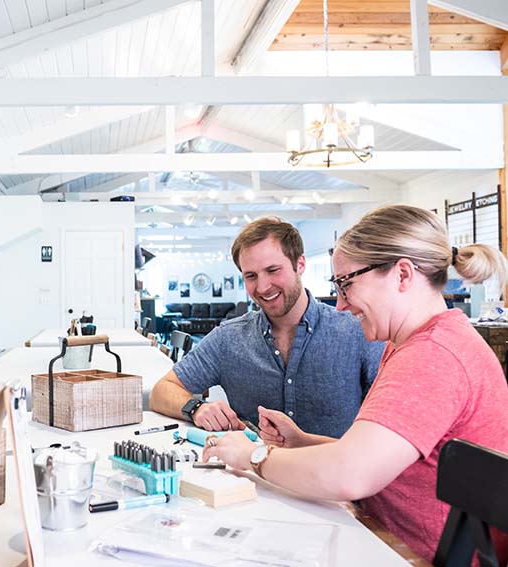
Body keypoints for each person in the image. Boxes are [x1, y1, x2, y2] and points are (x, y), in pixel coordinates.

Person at [203, 205, 508, 563]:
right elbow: (386, 457)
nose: (342, 305)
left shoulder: (432, 356)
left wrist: (252, 456)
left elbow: (350, 475)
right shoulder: (414, 343)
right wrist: (302, 442)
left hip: (410, 553)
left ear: (403, 275)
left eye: (347, 284)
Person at [149, 217, 384, 438]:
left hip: (337, 476)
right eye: (251, 276)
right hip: (251, 477)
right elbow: (162, 391)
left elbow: (386, 424)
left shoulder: (358, 332)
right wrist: (197, 408)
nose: (262, 287)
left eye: (273, 270)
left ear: (300, 263)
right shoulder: (228, 339)